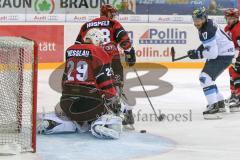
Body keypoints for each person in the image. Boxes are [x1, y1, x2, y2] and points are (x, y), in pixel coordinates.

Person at [37, 28, 123, 139]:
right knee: (109, 110)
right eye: (100, 42)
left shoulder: (70, 50)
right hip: (89, 104)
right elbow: (106, 84)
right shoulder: (99, 52)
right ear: (96, 40)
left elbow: (64, 81)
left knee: (73, 120)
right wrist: (113, 100)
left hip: (66, 102)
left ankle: (52, 123)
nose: (101, 45)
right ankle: (100, 124)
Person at [75, 4, 136, 128]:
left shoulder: (86, 25)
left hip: (93, 60)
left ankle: (94, 114)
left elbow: (77, 45)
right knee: (116, 87)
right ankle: (124, 114)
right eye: (112, 13)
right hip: (112, 59)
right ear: (108, 13)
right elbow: (124, 41)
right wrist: (130, 54)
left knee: (94, 86)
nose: (113, 16)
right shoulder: (114, 24)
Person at [187, 7, 235, 119]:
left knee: (205, 78)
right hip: (225, 53)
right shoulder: (207, 24)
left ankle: (214, 108)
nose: (196, 22)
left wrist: (197, 54)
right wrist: (198, 50)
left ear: (205, 18)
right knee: (209, 79)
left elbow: (212, 53)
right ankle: (219, 103)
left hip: (222, 55)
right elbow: (209, 44)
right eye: (195, 19)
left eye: (199, 19)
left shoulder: (206, 30)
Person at [224, 8, 240, 112]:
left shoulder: (238, 29)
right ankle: (234, 94)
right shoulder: (227, 29)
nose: (229, 20)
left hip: (238, 52)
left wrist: (237, 59)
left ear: (236, 18)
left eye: (231, 18)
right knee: (231, 71)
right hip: (236, 53)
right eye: (227, 18)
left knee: (236, 72)